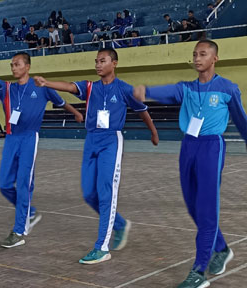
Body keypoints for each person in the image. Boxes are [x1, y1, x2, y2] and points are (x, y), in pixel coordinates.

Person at [134, 40, 247, 288]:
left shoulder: (227, 88)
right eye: (194, 54)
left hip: (212, 147)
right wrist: (146, 91)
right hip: (188, 145)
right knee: (193, 206)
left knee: (207, 206)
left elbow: (240, 117)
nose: (197, 58)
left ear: (215, 59)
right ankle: (221, 249)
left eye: (203, 54)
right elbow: (167, 92)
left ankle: (199, 270)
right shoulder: (186, 88)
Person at [34, 49, 159, 264]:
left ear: (115, 63)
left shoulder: (124, 89)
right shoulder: (90, 87)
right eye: (96, 61)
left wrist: (153, 131)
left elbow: (142, 110)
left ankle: (102, 247)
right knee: (89, 194)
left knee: (105, 192)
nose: (98, 65)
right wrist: (47, 83)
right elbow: (70, 87)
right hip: (91, 139)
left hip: (111, 140)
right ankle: (120, 224)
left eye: (103, 61)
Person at [0, 52, 84, 248]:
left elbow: (61, 102)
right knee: (4, 184)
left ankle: (19, 231)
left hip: (28, 138)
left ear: (27, 66)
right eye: (11, 65)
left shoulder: (41, 87)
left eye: (17, 64)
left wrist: (76, 113)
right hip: (11, 138)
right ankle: (29, 211)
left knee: (24, 183)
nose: (13, 68)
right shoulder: (8, 88)